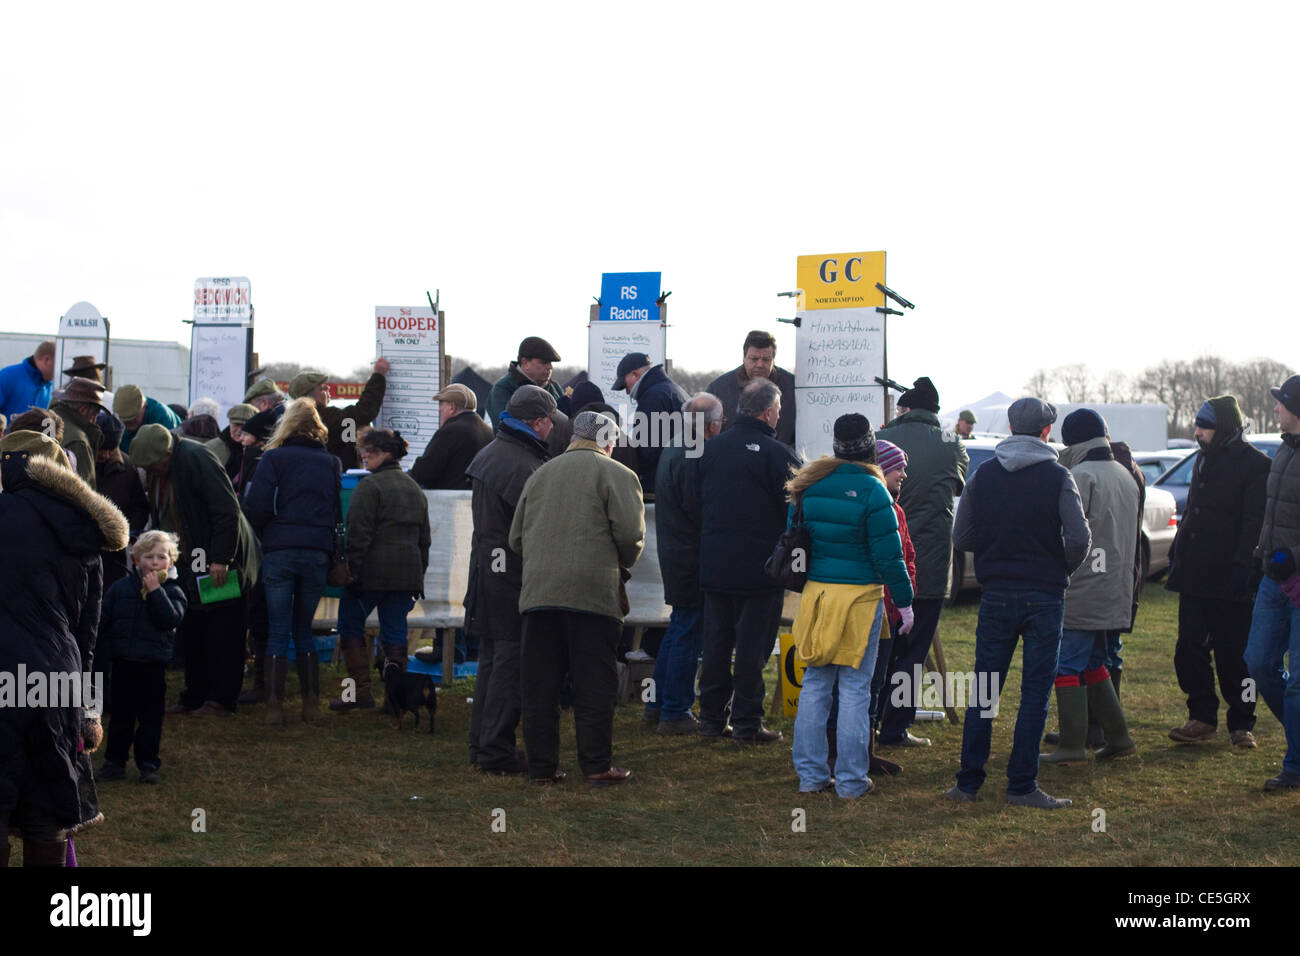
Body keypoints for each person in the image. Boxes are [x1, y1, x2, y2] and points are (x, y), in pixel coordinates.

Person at [947, 397, 1091, 809]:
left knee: (985, 692)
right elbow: (1079, 539)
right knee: (1034, 694)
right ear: (1047, 432)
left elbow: (961, 538)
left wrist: (995, 552)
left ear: (1010, 428)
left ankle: (968, 783)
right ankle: (1021, 786)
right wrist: (1056, 567)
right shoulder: (1058, 476)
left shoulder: (985, 474)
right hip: (1044, 596)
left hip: (996, 594)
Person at [0, 430, 128, 866]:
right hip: (56, 682)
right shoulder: (82, 528)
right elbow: (88, 634)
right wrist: (88, 710)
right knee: (45, 807)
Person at [510, 410, 645, 786]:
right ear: (609, 442)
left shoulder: (539, 475)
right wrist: (622, 562)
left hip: (538, 594)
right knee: (594, 684)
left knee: (540, 686)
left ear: (573, 438)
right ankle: (597, 766)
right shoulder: (618, 475)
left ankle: (541, 768)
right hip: (592, 594)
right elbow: (630, 536)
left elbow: (515, 540)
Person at [788, 415, 914, 798]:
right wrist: (905, 603)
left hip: (817, 597)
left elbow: (796, 539)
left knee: (815, 685)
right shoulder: (874, 491)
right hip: (860, 599)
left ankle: (811, 777)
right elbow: (889, 557)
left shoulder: (810, 484)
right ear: (870, 446)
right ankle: (851, 780)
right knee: (857, 691)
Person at [129, 424, 261, 717]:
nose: (151, 470)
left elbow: (226, 510)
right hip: (192, 557)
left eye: (154, 465)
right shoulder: (161, 470)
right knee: (194, 626)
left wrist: (221, 558)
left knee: (223, 628)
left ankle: (221, 699)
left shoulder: (197, 459)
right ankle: (194, 695)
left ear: (167, 453)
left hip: (221, 557)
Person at [697, 379, 801, 743]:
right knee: (752, 649)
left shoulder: (710, 450)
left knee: (716, 646)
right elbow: (795, 513)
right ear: (770, 412)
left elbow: (697, 503)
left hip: (714, 565)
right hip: (760, 571)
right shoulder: (780, 455)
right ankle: (746, 723)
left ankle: (710, 720)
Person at [1165, 395, 1270, 748]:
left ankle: (1243, 723)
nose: (1197, 432)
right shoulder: (1203, 459)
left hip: (1232, 579)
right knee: (1188, 649)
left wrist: (1245, 570)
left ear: (1222, 427)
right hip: (1195, 575)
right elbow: (1194, 511)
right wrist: (1179, 553)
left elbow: (1253, 524)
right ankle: (1201, 716)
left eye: (1203, 426)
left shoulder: (1256, 465)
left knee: (1237, 657)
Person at [461, 385, 555, 768]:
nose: (552, 428)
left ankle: (482, 744)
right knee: (510, 663)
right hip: (508, 576)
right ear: (537, 422)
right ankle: (495, 749)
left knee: (492, 661)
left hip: (488, 572)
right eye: (550, 421)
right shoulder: (521, 463)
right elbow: (534, 528)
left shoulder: (494, 453)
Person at [1040, 409, 1139, 764]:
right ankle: (1118, 737)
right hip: (1114, 591)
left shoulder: (1080, 476)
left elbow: (1066, 535)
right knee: (1096, 662)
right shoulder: (1125, 475)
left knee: (1066, 665)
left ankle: (1070, 746)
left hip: (1083, 590)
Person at [876, 375, 969, 747]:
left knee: (880, 646)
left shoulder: (881, 438)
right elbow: (957, 485)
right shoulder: (952, 443)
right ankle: (895, 728)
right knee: (914, 651)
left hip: (883, 558)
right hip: (927, 566)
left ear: (906, 408)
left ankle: (868, 721)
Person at [242, 399, 341, 725]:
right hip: (316, 550)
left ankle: (274, 705)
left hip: (280, 549)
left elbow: (255, 506)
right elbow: (336, 512)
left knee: (278, 629)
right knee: (304, 628)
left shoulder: (272, 459)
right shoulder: (331, 462)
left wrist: (270, 531)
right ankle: (311, 703)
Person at [330, 428, 431, 711]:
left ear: (386, 454)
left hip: (371, 573)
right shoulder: (414, 487)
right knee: (395, 635)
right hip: (406, 574)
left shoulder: (369, 487)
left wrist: (352, 572)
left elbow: (359, 535)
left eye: (370, 452)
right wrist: (418, 575)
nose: (364, 456)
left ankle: (359, 693)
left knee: (350, 626)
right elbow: (425, 538)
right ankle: (394, 699)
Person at [650, 392, 724, 734]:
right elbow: (702, 510)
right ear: (711, 426)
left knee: (679, 628)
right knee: (687, 634)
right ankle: (675, 710)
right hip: (692, 556)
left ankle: (659, 703)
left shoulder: (675, 444)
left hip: (676, 552)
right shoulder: (695, 455)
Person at [1244, 374, 1300, 789]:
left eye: (1281, 402)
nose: (1275, 407)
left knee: (1298, 681)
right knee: (1259, 664)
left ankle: (1296, 765)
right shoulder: (1283, 450)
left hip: (1296, 578)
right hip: (1272, 578)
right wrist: (1264, 555)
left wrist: (1294, 557)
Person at [96, 532, 187, 784]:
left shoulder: (174, 590)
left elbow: (170, 619)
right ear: (136, 560)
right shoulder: (121, 588)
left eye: (162, 557)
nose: (156, 562)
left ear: (171, 562)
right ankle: (114, 762)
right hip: (124, 663)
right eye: (149, 556)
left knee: (151, 719)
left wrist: (156, 591)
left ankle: (148, 763)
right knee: (120, 717)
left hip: (154, 665)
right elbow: (103, 617)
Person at [869, 440, 917, 776]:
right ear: (882, 468)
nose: (903, 474)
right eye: (898, 467)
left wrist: (904, 598)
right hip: (869, 611)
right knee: (866, 684)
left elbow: (907, 558)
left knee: (878, 683)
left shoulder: (897, 510)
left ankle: (866, 748)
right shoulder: (877, 507)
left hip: (889, 612)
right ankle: (852, 752)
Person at [611, 351, 689, 495]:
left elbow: (648, 450)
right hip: (681, 478)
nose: (627, 392)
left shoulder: (652, 398)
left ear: (635, 375)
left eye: (624, 385)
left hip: (661, 484)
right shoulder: (675, 390)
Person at [288, 359, 388, 469]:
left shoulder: (293, 422)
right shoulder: (323, 417)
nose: (328, 388)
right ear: (310, 397)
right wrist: (378, 376)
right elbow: (363, 411)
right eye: (322, 388)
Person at [707, 330, 798, 447]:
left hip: (780, 460)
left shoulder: (794, 388)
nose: (759, 365)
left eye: (766, 360)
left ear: (773, 360)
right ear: (744, 358)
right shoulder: (718, 389)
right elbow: (700, 430)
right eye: (754, 359)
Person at [93, 411, 149, 588]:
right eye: (102, 449)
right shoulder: (81, 460)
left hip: (114, 554)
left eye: (110, 449)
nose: (105, 454)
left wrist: (123, 533)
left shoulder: (127, 468)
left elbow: (139, 507)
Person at [410, 384, 494, 490]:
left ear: (452, 407)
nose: (439, 409)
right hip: (480, 500)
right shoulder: (489, 431)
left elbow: (424, 473)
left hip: (451, 501)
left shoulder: (450, 431)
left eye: (441, 404)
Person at [487, 336, 566, 426]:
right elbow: (504, 427)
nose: (550, 367)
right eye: (544, 362)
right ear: (525, 363)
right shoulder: (503, 388)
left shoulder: (554, 387)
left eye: (550, 363)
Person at [48, 376, 107, 488]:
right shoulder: (79, 442)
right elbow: (84, 492)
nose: (95, 420)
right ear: (83, 410)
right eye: (96, 413)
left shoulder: (48, 421)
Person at [113, 385, 181, 455]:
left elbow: (166, 456)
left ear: (144, 407)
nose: (128, 426)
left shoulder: (162, 417)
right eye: (125, 421)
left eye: (133, 419)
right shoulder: (117, 423)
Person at [0, 340, 55, 420]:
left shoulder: (51, 387)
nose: (60, 368)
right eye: (58, 363)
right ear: (47, 360)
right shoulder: (7, 376)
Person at [205, 403, 256, 480]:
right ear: (230, 424)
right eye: (236, 425)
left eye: (244, 426)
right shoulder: (211, 448)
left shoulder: (260, 451)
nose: (240, 430)